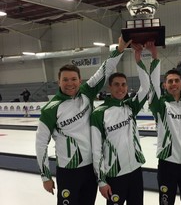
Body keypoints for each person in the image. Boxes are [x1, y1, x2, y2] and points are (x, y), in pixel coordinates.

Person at [35, 36, 132, 205]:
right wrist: (45, 176)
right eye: (65, 79)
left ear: (80, 80)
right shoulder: (50, 109)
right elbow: (41, 143)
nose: (70, 83)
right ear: (59, 82)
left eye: (73, 79)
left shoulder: (87, 92)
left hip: (91, 170)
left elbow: (105, 70)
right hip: (68, 171)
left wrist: (120, 49)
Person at [90, 41, 154, 205]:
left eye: (124, 85)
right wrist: (102, 181)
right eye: (117, 85)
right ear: (110, 87)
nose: (121, 88)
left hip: (135, 171)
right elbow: (96, 150)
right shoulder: (99, 114)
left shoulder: (130, 106)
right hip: (114, 174)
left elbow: (146, 87)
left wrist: (138, 60)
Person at [149, 62, 181, 205]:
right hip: (167, 164)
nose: (173, 84)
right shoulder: (160, 105)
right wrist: (155, 58)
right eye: (170, 81)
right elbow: (152, 85)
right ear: (164, 85)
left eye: (176, 81)